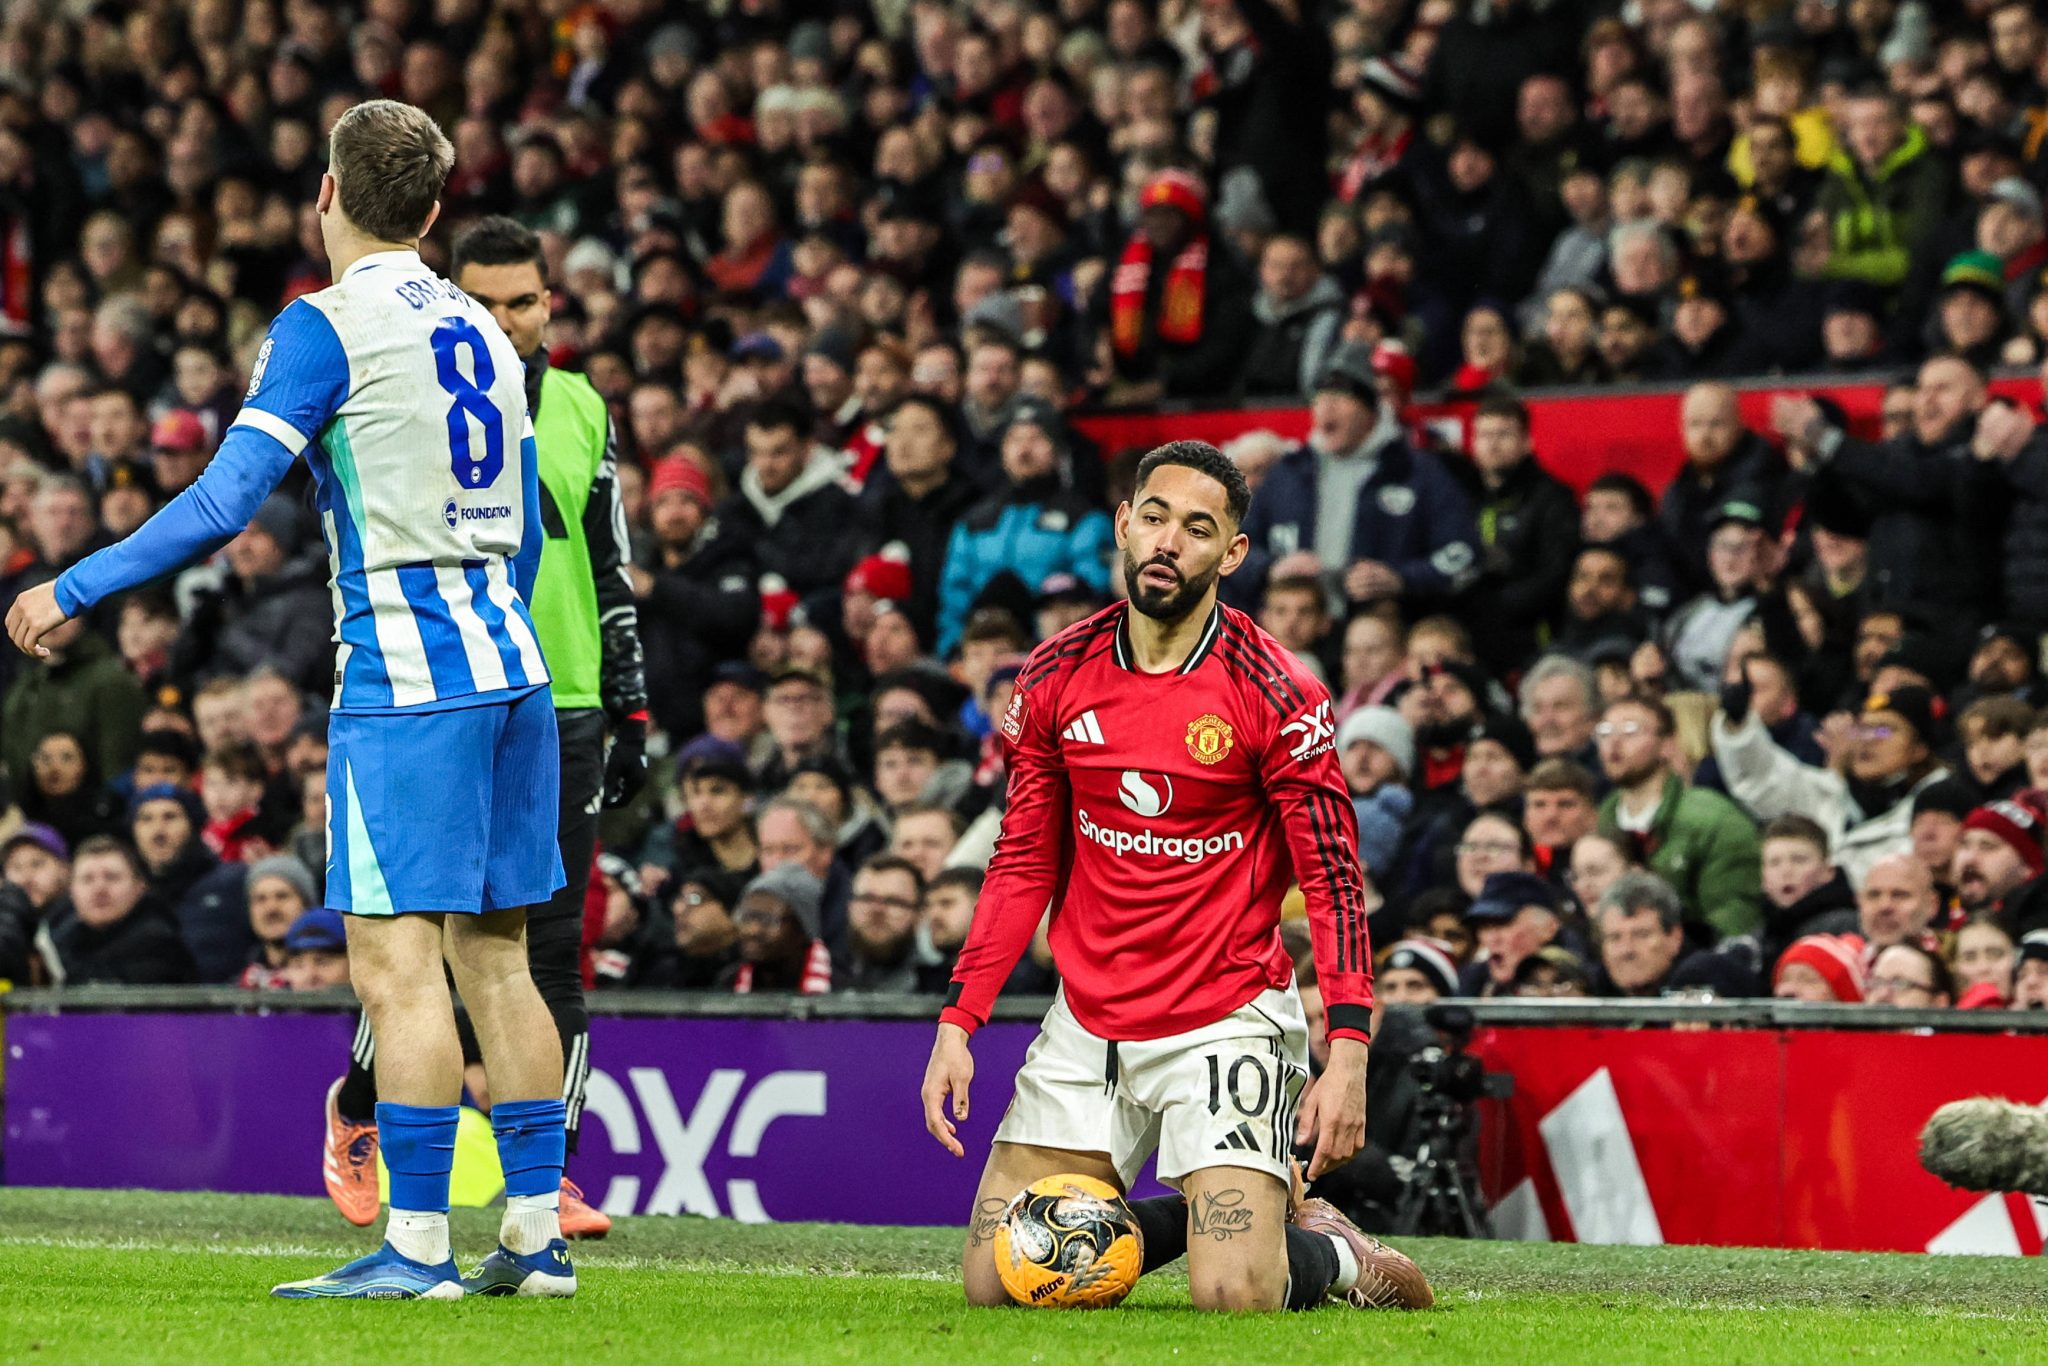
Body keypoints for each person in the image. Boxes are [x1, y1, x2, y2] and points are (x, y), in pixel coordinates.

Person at [7, 102, 573, 1301]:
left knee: (398, 972)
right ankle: (534, 1238)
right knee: (499, 960)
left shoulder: (325, 326)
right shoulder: (483, 327)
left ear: (325, 194)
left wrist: (73, 584)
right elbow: (526, 526)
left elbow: (224, 503)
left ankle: (416, 1247)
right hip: (512, 666)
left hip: (407, 681)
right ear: (432, 211)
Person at [921, 440, 1428, 1314]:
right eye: (1154, 517)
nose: (1168, 541)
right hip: (1091, 1017)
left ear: (1232, 553)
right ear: (1124, 524)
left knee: (1234, 1294)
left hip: (1225, 1016)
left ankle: (1335, 1256)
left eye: (1198, 528)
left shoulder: (1277, 692)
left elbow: (1334, 880)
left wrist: (1347, 1052)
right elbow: (1024, 857)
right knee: (998, 1284)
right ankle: (1213, 1221)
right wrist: (959, 1020)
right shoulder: (1054, 673)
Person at [319, 214, 651, 1243]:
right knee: (423, 943)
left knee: (544, 951)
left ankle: (547, 1185)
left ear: (551, 303)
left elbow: (606, 559)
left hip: (563, 698)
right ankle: (360, 1106)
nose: (507, 323)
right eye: (487, 303)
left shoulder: (584, 407)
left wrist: (633, 704)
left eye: (525, 302)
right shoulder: (414, 386)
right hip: (446, 684)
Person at [1595, 693, 1763, 940]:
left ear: (1667, 744)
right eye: (1605, 732)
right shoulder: (1601, 822)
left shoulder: (1712, 819)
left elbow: (1735, 913)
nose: (1614, 742)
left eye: (1630, 731)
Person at [45, 835, 195, 985]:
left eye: (112, 877)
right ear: (71, 891)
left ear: (139, 887)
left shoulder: (161, 947)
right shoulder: (59, 946)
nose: (99, 889)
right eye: (87, 879)